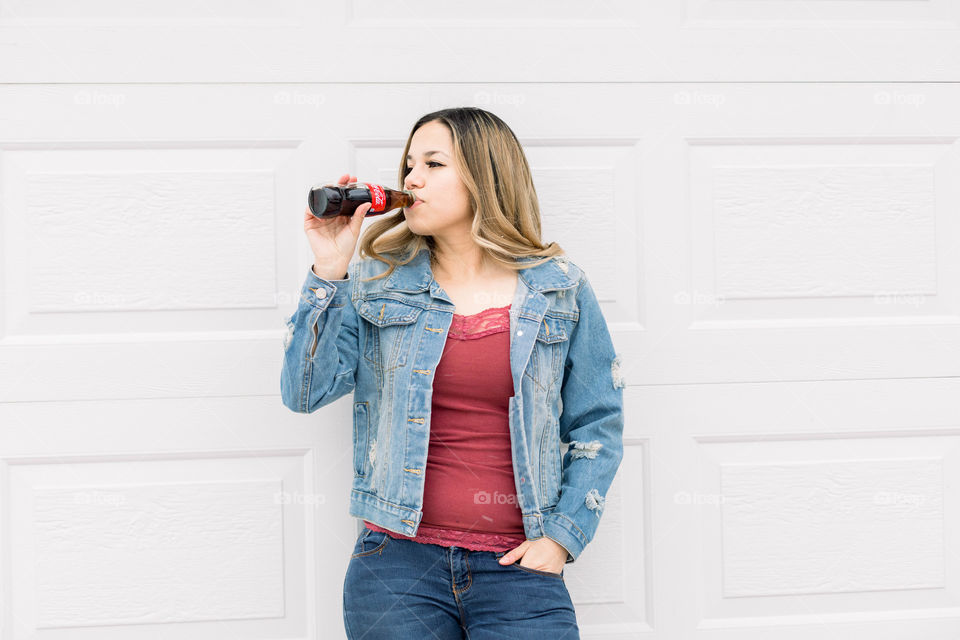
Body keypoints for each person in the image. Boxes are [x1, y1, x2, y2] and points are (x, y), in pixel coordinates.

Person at [281, 107, 624, 640]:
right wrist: (331, 269)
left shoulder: (560, 288)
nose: (411, 178)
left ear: (486, 175)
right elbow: (305, 392)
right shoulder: (377, 280)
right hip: (395, 566)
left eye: (433, 163)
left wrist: (560, 538)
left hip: (519, 569)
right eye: (409, 164)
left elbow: (597, 425)